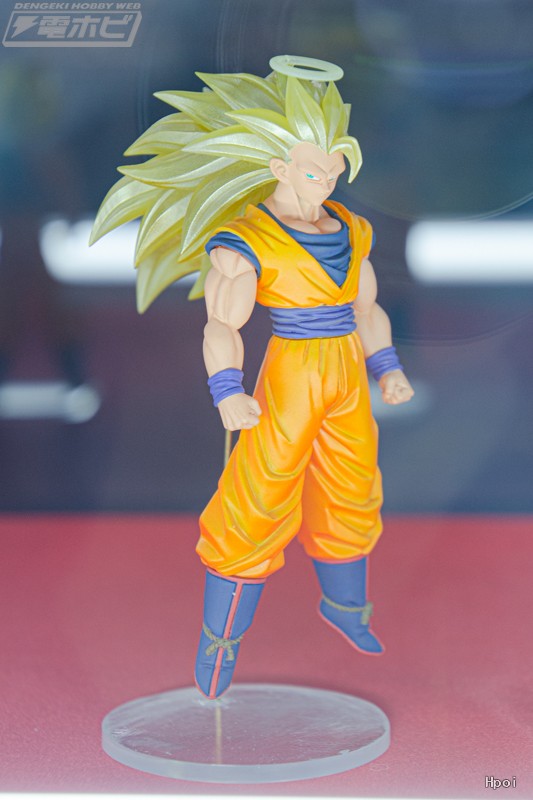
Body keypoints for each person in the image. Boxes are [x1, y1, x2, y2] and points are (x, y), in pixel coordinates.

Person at [91, 55, 414, 700]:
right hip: (291, 374)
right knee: (259, 496)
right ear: (278, 168)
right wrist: (228, 392)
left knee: (353, 485)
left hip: (347, 370)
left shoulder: (351, 228)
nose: (329, 180)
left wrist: (387, 366)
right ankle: (220, 643)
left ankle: (346, 609)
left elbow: (367, 308)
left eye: (335, 168)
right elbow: (221, 325)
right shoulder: (244, 242)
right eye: (315, 171)